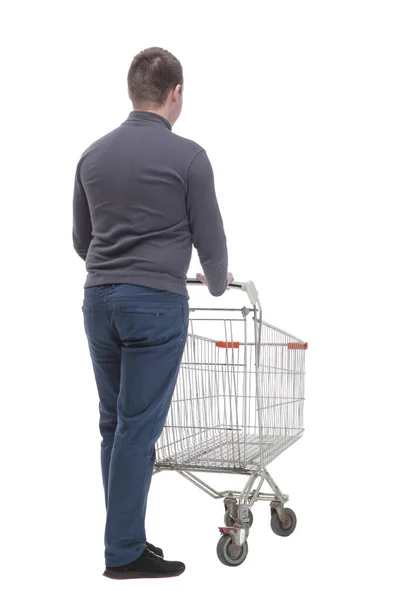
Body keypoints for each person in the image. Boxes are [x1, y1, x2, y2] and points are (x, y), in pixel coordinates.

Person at [72, 47, 232, 580]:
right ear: (176, 93)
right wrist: (214, 284)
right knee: (137, 432)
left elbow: (81, 239)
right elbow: (211, 241)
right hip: (155, 308)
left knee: (113, 425)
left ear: (131, 91)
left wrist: (114, 265)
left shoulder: (92, 156)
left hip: (99, 302)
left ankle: (126, 541)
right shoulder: (189, 157)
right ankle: (122, 554)